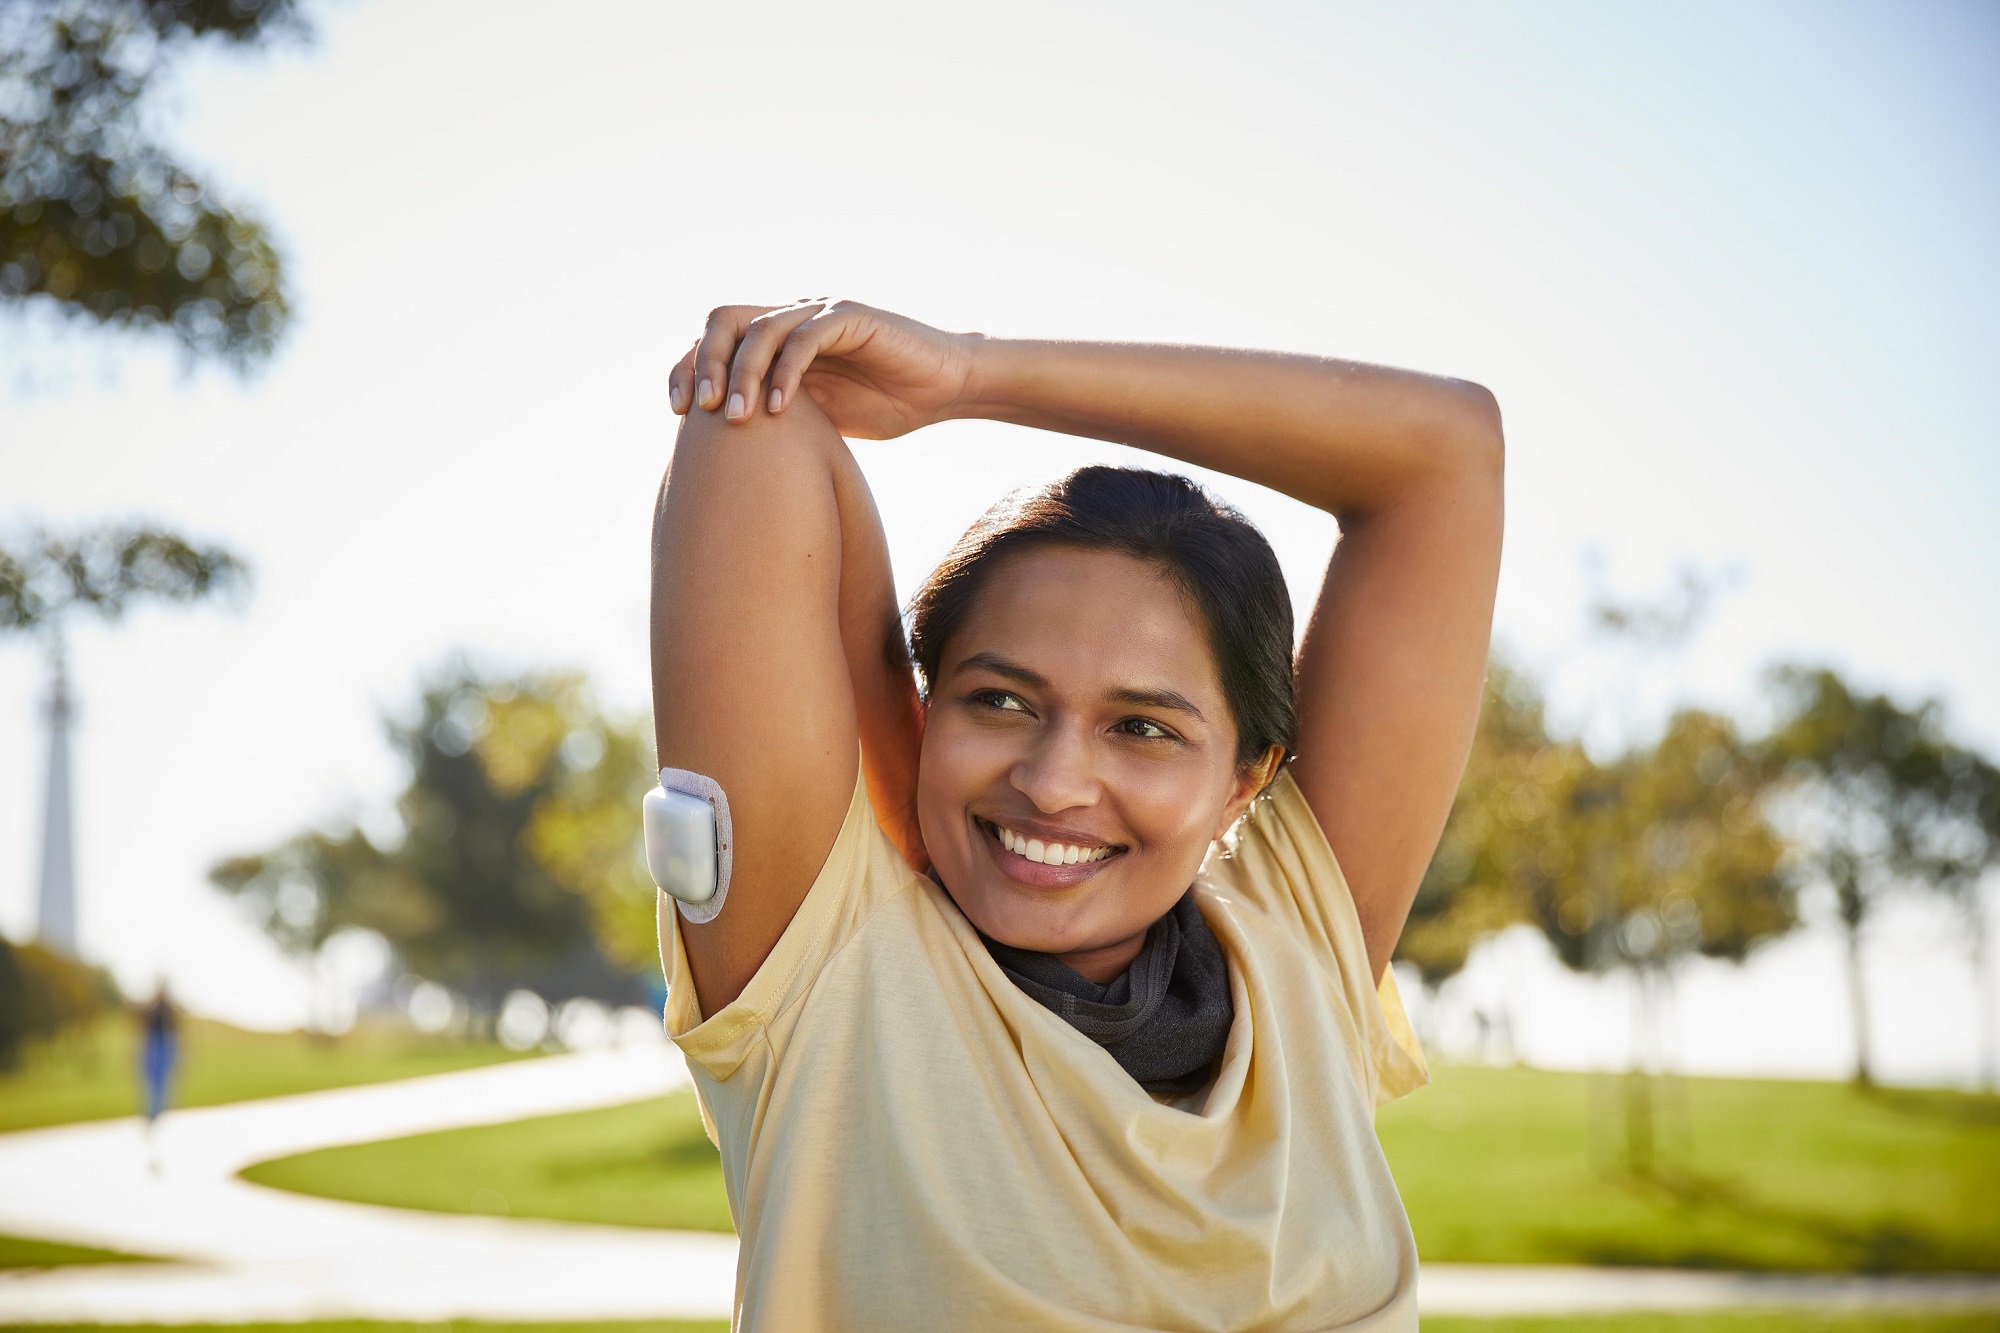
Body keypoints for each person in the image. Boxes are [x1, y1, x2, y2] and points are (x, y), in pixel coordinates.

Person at [650, 300, 1503, 1330]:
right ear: (923, 715)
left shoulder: (1298, 950)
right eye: (999, 701)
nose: (1053, 782)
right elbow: (757, 415)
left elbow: (1446, 454)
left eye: (1140, 728)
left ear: (1244, 777)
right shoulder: (831, 979)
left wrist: (973, 371)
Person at [137, 980, 178, 1168]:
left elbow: (175, 1033)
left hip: (163, 1047)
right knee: (152, 1088)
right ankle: (151, 1118)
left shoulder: (168, 1009)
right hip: (153, 1048)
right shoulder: (152, 1009)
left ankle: (155, 1117)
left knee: (162, 1090)